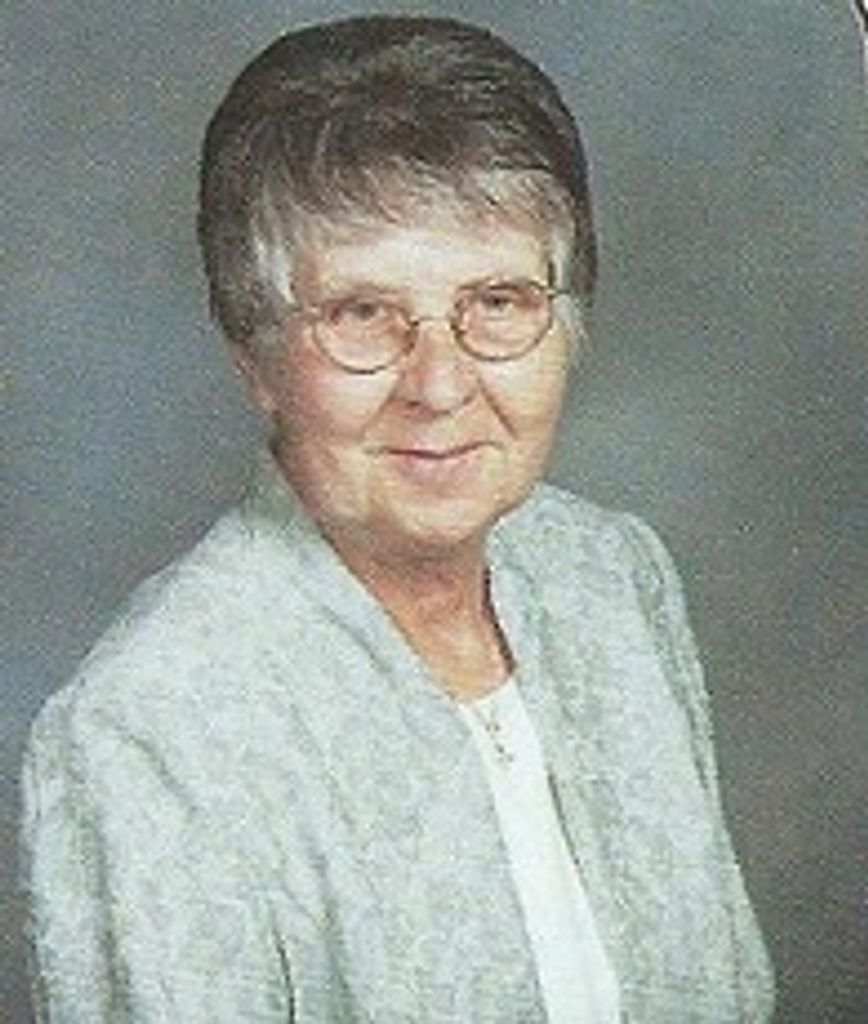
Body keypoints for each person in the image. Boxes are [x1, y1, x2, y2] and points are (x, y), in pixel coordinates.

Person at [21, 15, 775, 1022]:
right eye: (362, 315)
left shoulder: (609, 578)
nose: (440, 384)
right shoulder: (148, 732)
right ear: (255, 359)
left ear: (566, 323)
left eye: (497, 301)